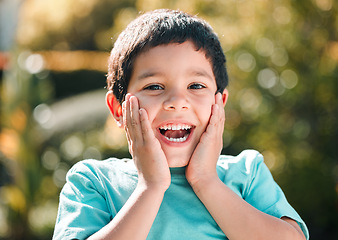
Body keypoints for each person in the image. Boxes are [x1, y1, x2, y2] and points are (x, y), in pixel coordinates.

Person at [52, 9, 309, 240]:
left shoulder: (246, 173)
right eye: (154, 86)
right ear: (118, 109)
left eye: (196, 86)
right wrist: (150, 188)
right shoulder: (94, 181)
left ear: (219, 104)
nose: (177, 102)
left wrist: (207, 181)